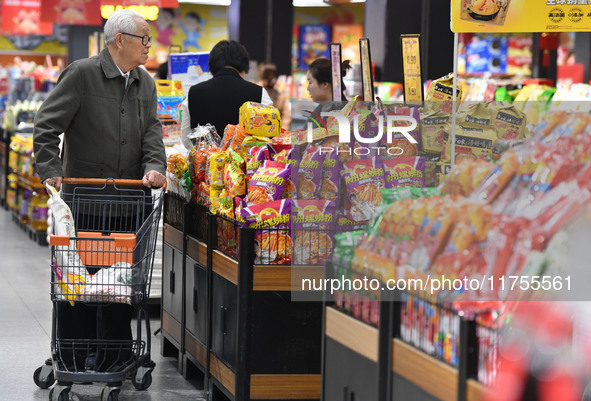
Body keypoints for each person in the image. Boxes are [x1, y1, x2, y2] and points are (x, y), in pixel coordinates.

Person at [33, 9, 166, 372]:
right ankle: (73, 356)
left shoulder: (145, 82)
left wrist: (155, 167)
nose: (149, 46)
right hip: (87, 203)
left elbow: (152, 132)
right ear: (120, 40)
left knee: (119, 288)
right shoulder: (81, 74)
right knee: (78, 287)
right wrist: (51, 172)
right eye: (144, 38)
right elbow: (45, 127)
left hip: (128, 207)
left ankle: (113, 358)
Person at [180, 39, 272, 149]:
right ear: (244, 65)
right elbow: (269, 135)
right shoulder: (259, 92)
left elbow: (186, 140)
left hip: (204, 164)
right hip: (246, 165)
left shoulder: (194, 92)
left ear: (212, 65)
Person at [257, 61, 291, 130]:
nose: (270, 79)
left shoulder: (279, 95)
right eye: (267, 76)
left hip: (274, 134)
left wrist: (281, 131)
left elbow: (286, 116)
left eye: (272, 75)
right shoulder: (256, 90)